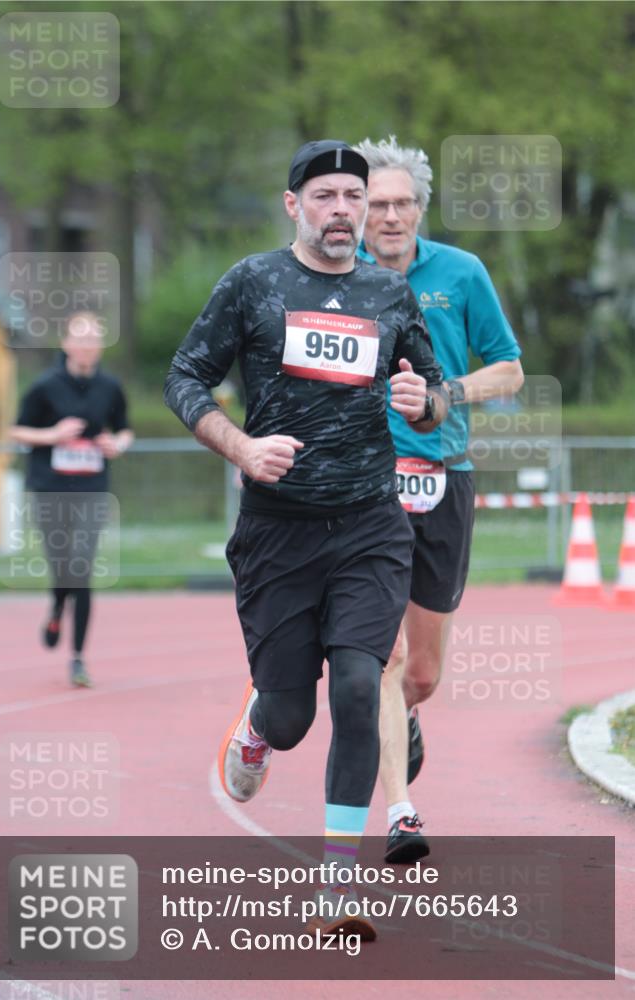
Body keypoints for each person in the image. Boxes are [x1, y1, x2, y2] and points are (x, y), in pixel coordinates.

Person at [164, 140, 448, 938]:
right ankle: (257, 728)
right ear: (294, 205)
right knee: (291, 717)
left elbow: (431, 400)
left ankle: (336, 889)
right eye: (323, 196)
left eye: (352, 197)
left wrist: (420, 398)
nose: (341, 211)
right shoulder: (253, 283)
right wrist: (241, 447)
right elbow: (183, 377)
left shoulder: (389, 293)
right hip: (277, 534)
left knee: (360, 685)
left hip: (368, 526)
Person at [353, 136, 524, 862]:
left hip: (443, 475)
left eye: (401, 204)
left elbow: (510, 370)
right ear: (356, 212)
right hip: (363, 481)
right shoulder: (333, 276)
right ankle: (400, 812)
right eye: (376, 204)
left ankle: (404, 719)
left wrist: (447, 392)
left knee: (421, 673)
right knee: (383, 657)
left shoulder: (460, 272)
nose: (389, 217)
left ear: (419, 208)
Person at [9, 312, 133, 687]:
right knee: (62, 565)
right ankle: (56, 606)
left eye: (94, 339)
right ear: (65, 344)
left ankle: (78, 657)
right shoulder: (45, 386)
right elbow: (17, 431)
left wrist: (117, 445)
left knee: (81, 567)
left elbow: (124, 430)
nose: (87, 346)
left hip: (92, 489)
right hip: (49, 488)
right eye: (80, 339)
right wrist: (53, 435)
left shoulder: (110, 387)